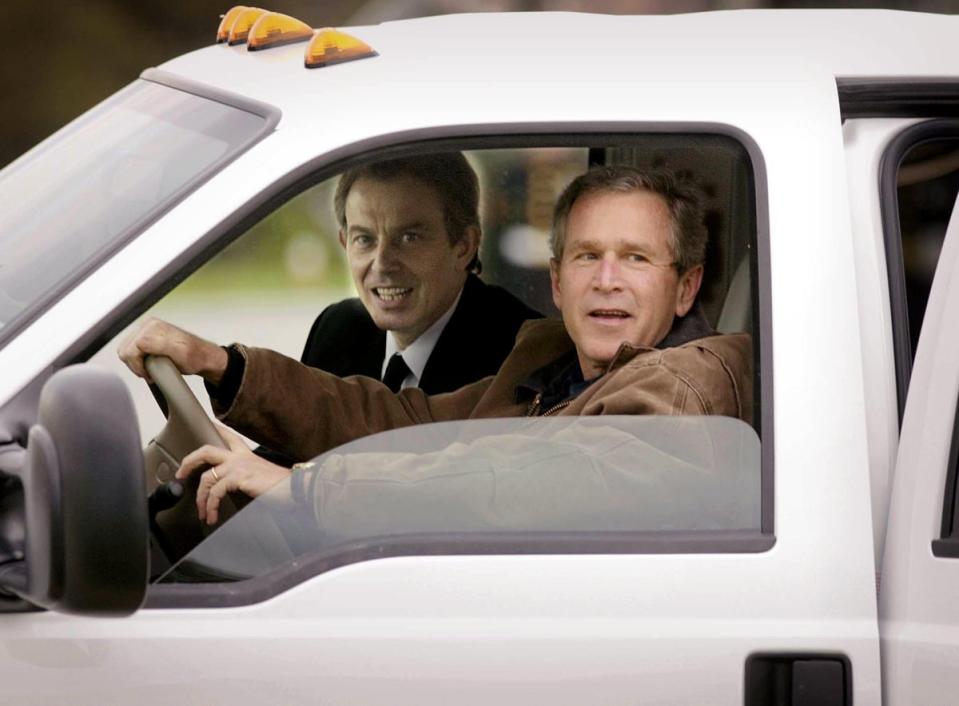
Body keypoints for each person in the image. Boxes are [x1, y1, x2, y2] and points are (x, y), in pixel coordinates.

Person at [120, 165, 752, 525]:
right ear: (557, 281)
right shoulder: (551, 358)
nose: (606, 278)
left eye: (636, 258)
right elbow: (403, 420)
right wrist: (223, 365)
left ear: (686, 286)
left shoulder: (683, 385)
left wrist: (304, 485)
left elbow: (523, 481)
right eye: (587, 256)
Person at [302, 153, 540, 393]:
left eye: (409, 238)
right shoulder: (334, 332)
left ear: (464, 246)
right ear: (345, 243)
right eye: (364, 239)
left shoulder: (523, 356)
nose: (382, 263)